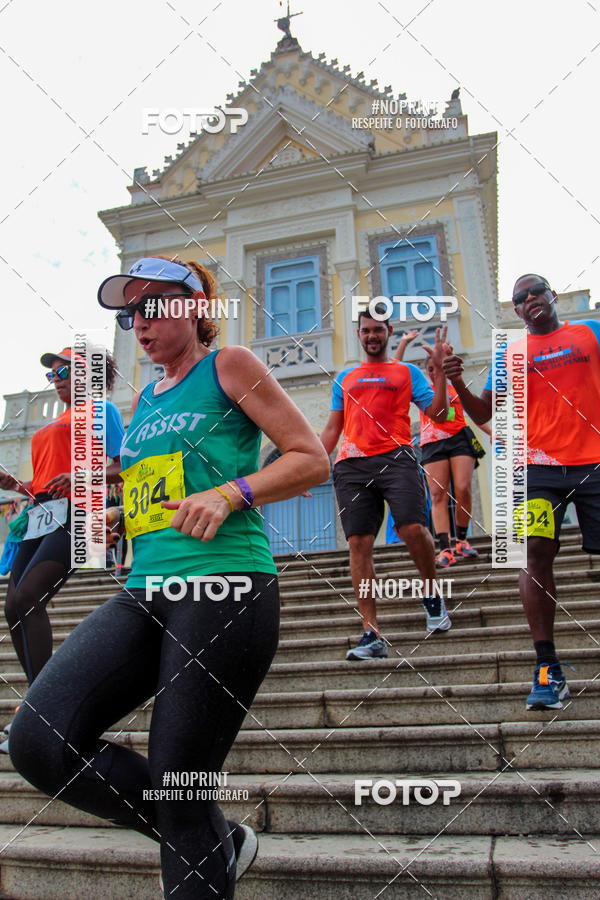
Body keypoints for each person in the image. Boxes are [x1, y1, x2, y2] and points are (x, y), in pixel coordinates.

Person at [9, 255, 330, 899]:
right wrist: (104, 508)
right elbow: (155, 496)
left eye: (152, 306)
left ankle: (197, 835)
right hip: (146, 588)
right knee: (38, 743)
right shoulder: (146, 397)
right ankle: (215, 838)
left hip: (225, 586)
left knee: (180, 780)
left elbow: (310, 458)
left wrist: (234, 492)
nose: (139, 324)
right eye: (129, 314)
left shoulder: (229, 365)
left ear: (192, 304)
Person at [442, 274, 600, 710]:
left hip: (594, 461)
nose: (531, 299)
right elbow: (481, 410)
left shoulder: (590, 332)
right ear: (515, 310)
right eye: (521, 297)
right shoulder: (509, 352)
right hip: (536, 468)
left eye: (537, 291)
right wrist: (456, 383)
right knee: (533, 552)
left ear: (552, 295)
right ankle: (548, 669)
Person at [0, 347, 123, 751]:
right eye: (52, 375)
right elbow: (48, 481)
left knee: (30, 596)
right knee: (13, 605)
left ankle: (40, 709)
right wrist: (17, 486)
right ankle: (44, 706)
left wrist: (84, 475)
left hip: (79, 514)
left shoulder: (104, 412)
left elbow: (126, 463)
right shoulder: (58, 420)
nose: (56, 379)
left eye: (65, 370)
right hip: (40, 514)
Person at [318, 303, 451, 662]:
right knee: (359, 542)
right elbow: (332, 428)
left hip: (397, 457)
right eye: (365, 330)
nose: (372, 336)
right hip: (351, 465)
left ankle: (431, 591)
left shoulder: (406, 372)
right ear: (359, 335)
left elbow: (439, 413)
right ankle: (370, 633)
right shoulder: (345, 378)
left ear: (388, 333)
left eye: (378, 330)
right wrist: (312, 467)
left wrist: (438, 374)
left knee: (412, 528)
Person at [395, 332, 489, 567]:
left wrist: (493, 433)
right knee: (437, 495)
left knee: (463, 488)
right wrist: (404, 343)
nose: (433, 371)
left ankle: (462, 541)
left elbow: (475, 415)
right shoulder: (424, 390)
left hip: (459, 439)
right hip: (432, 443)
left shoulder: (456, 389)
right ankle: (445, 549)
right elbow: (395, 370)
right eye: (430, 368)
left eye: (436, 366)